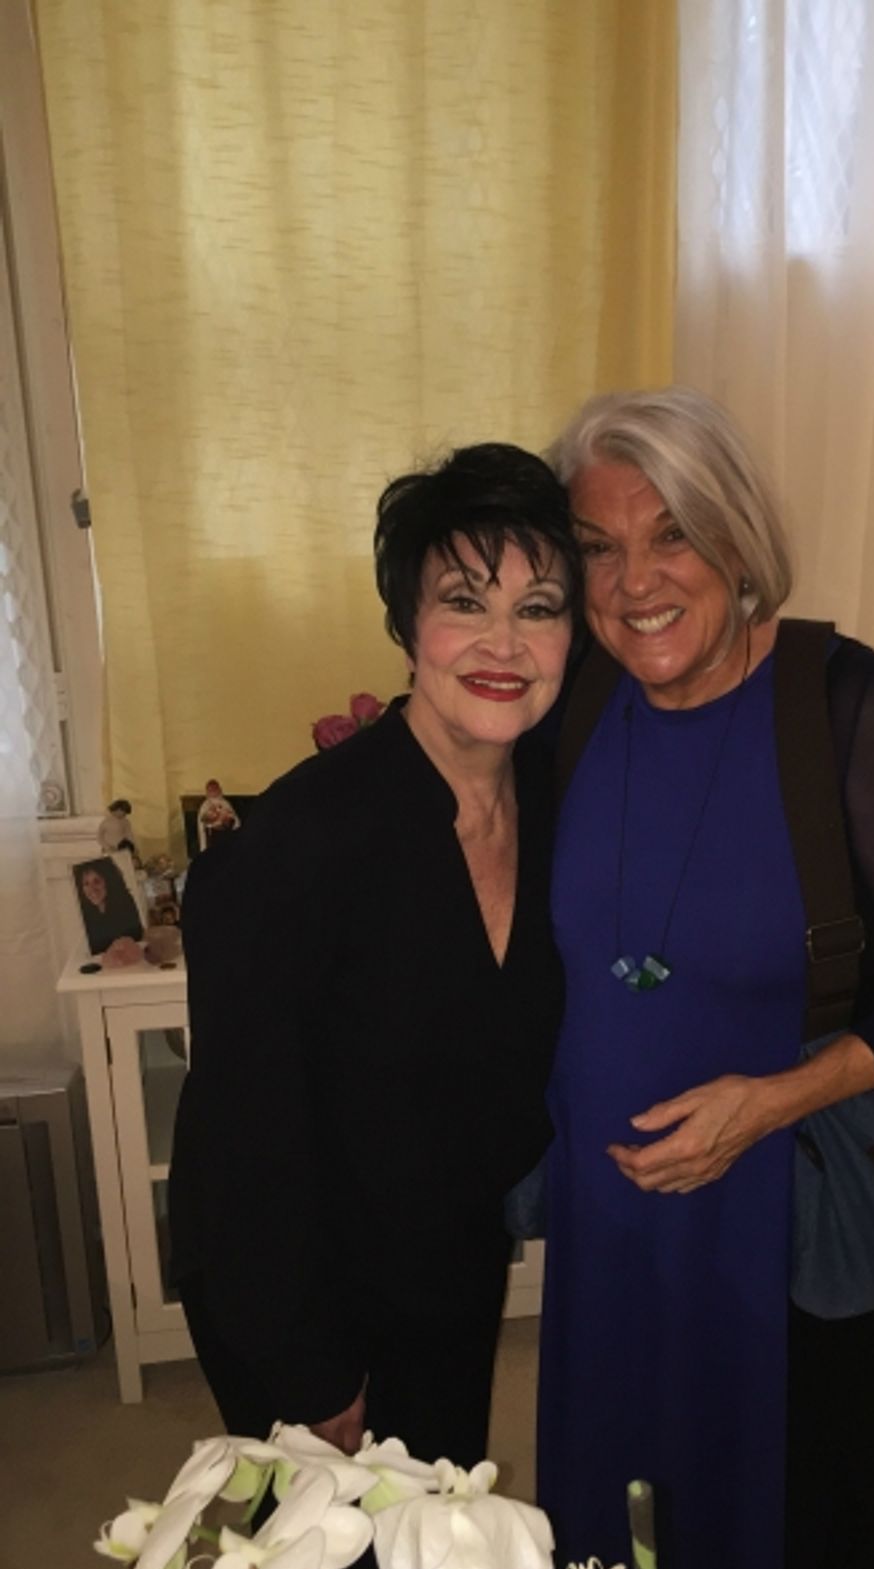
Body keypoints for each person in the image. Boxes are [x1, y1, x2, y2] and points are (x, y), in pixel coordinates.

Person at [536, 388, 874, 1569]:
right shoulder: (575, 703)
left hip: (785, 1226)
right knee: (615, 1536)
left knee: (796, 1541)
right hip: (611, 1227)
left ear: (737, 538)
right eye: (598, 546)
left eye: (671, 533)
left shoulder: (846, 705)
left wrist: (774, 1098)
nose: (634, 579)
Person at [170, 444, 580, 1503]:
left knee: (434, 1543)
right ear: (406, 625)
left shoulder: (551, 794)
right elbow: (241, 1149)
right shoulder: (297, 847)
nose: (503, 642)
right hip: (304, 1297)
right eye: (463, 601)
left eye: (539, 607)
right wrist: (310, 1375)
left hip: (449, 1268)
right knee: (325, 1559)